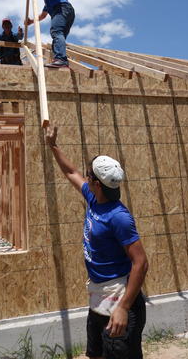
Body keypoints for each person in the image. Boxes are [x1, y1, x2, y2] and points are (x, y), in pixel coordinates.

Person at [45, 126, 148, 359]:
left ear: (97, 183)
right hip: (99, 297)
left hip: (120, 299)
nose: (85, 176)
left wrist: (122, 308)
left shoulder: (118, 217)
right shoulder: (94, 198)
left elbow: (141, 263)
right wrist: (52, 145)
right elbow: (71, 171)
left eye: (89, 174)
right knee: (95, 354)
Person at [27, 0, 75, 68]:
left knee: (56, 32)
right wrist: (31, 21)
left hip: (61, 8)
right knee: (57, 40)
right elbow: (43, 15)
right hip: (66, 10)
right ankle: (60, 61)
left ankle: (61, 59)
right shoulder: (49, 2)